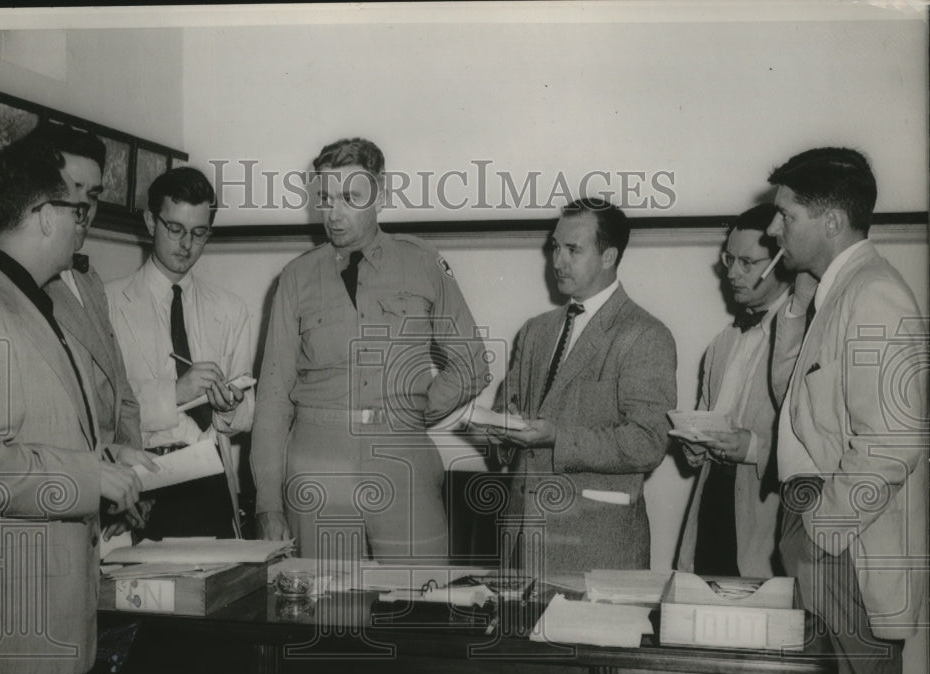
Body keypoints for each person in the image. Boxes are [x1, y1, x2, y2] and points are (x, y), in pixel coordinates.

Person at [0, 135, 145, 674]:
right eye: (79, 211)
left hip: (49, 625)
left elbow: (35, 433)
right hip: (16, 629)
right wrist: (87, 476)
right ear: (44, 213)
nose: (82, 228)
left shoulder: (32, 300)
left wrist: (104, 453)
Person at [767, 147, 926, 674]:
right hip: (830, 538)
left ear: (830, 219)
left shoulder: (875, 292)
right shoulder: (838, 290)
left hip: (846, 548)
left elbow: (894, 443)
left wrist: (818, 535)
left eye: (786, 214)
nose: (776, 230)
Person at [252, 137, 490, 563]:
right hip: (317, 466)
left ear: (381, 194)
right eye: (325, 198)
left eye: (350, 198)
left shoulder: (422, 264)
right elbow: (271, 401)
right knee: (325, 613)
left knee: (420, 603)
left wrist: (413, 411)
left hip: (403, 464)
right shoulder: (296, 278)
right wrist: (268, 504)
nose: (334, 213)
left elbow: (471, 363)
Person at [487, 198, 677, 575]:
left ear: (609, 256)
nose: (557, 261)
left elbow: (648, 442)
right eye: (555, 247)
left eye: (573, 249)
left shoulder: (645, 335)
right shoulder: (535, 330)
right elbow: (507, 413)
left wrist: (557, 437)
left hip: (597, 550)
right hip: (522, 543)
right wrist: (501, 429)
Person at [107, 167, 255, 538]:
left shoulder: (231, 309)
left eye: (199, 233)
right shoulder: (106, 303)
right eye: (175, 229)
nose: (186, 244)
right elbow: (100, 407)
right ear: (149, 221)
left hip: (211, 482)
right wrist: (175, 393)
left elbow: (245, 417)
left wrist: (229, 406)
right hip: (139, 483)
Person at [675, 203, 811, 577]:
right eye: (729, 259)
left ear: (782, 263)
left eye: (747, 263)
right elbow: (706, 420)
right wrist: (694, 445)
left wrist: (752, 447)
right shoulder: (722, 343)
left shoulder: (808, 341)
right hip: (711, 515)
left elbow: (821, 448)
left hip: (766, 523)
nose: (732, 273)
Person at [27, 123, 149, 538]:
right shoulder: (29, 285)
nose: (84, 210)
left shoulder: (90, 279)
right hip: (66, 504)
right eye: (73, 192)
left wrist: (134, 478)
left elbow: (121, 391)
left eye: (93, 196)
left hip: (112, 503)